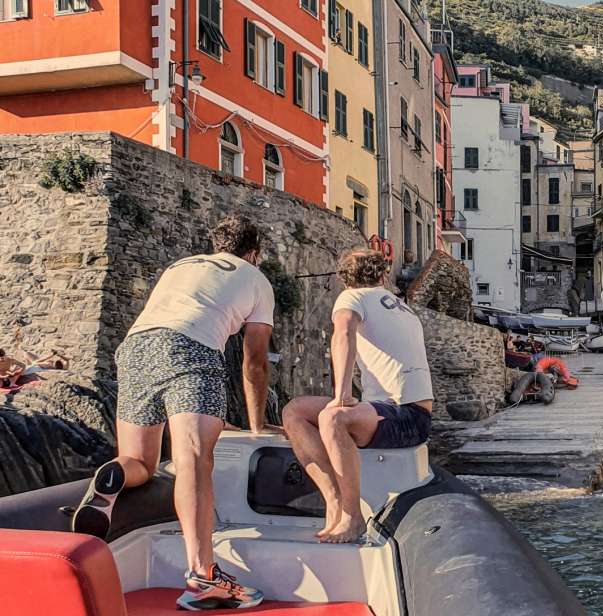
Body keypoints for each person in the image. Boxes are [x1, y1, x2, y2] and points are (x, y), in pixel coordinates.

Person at [72, 214, 276, 610]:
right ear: (254, 253)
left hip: (135, 348)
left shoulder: (182, 266)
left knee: (140, 462)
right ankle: (205, 576)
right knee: (194, 460)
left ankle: (112, 474)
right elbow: (254, 361)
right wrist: (256, 424)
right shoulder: (255, 277)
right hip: (192, 349)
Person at [282, 249, 434, 544]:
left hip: (404, 415)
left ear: (344, 280)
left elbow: (343, 334)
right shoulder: (402, 308)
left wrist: (341, 395)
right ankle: (334, 500)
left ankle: (352, 517)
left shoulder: (351, 298)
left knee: (333, 417)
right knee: (295, 411)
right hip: (408, 413)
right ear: (382, 275)